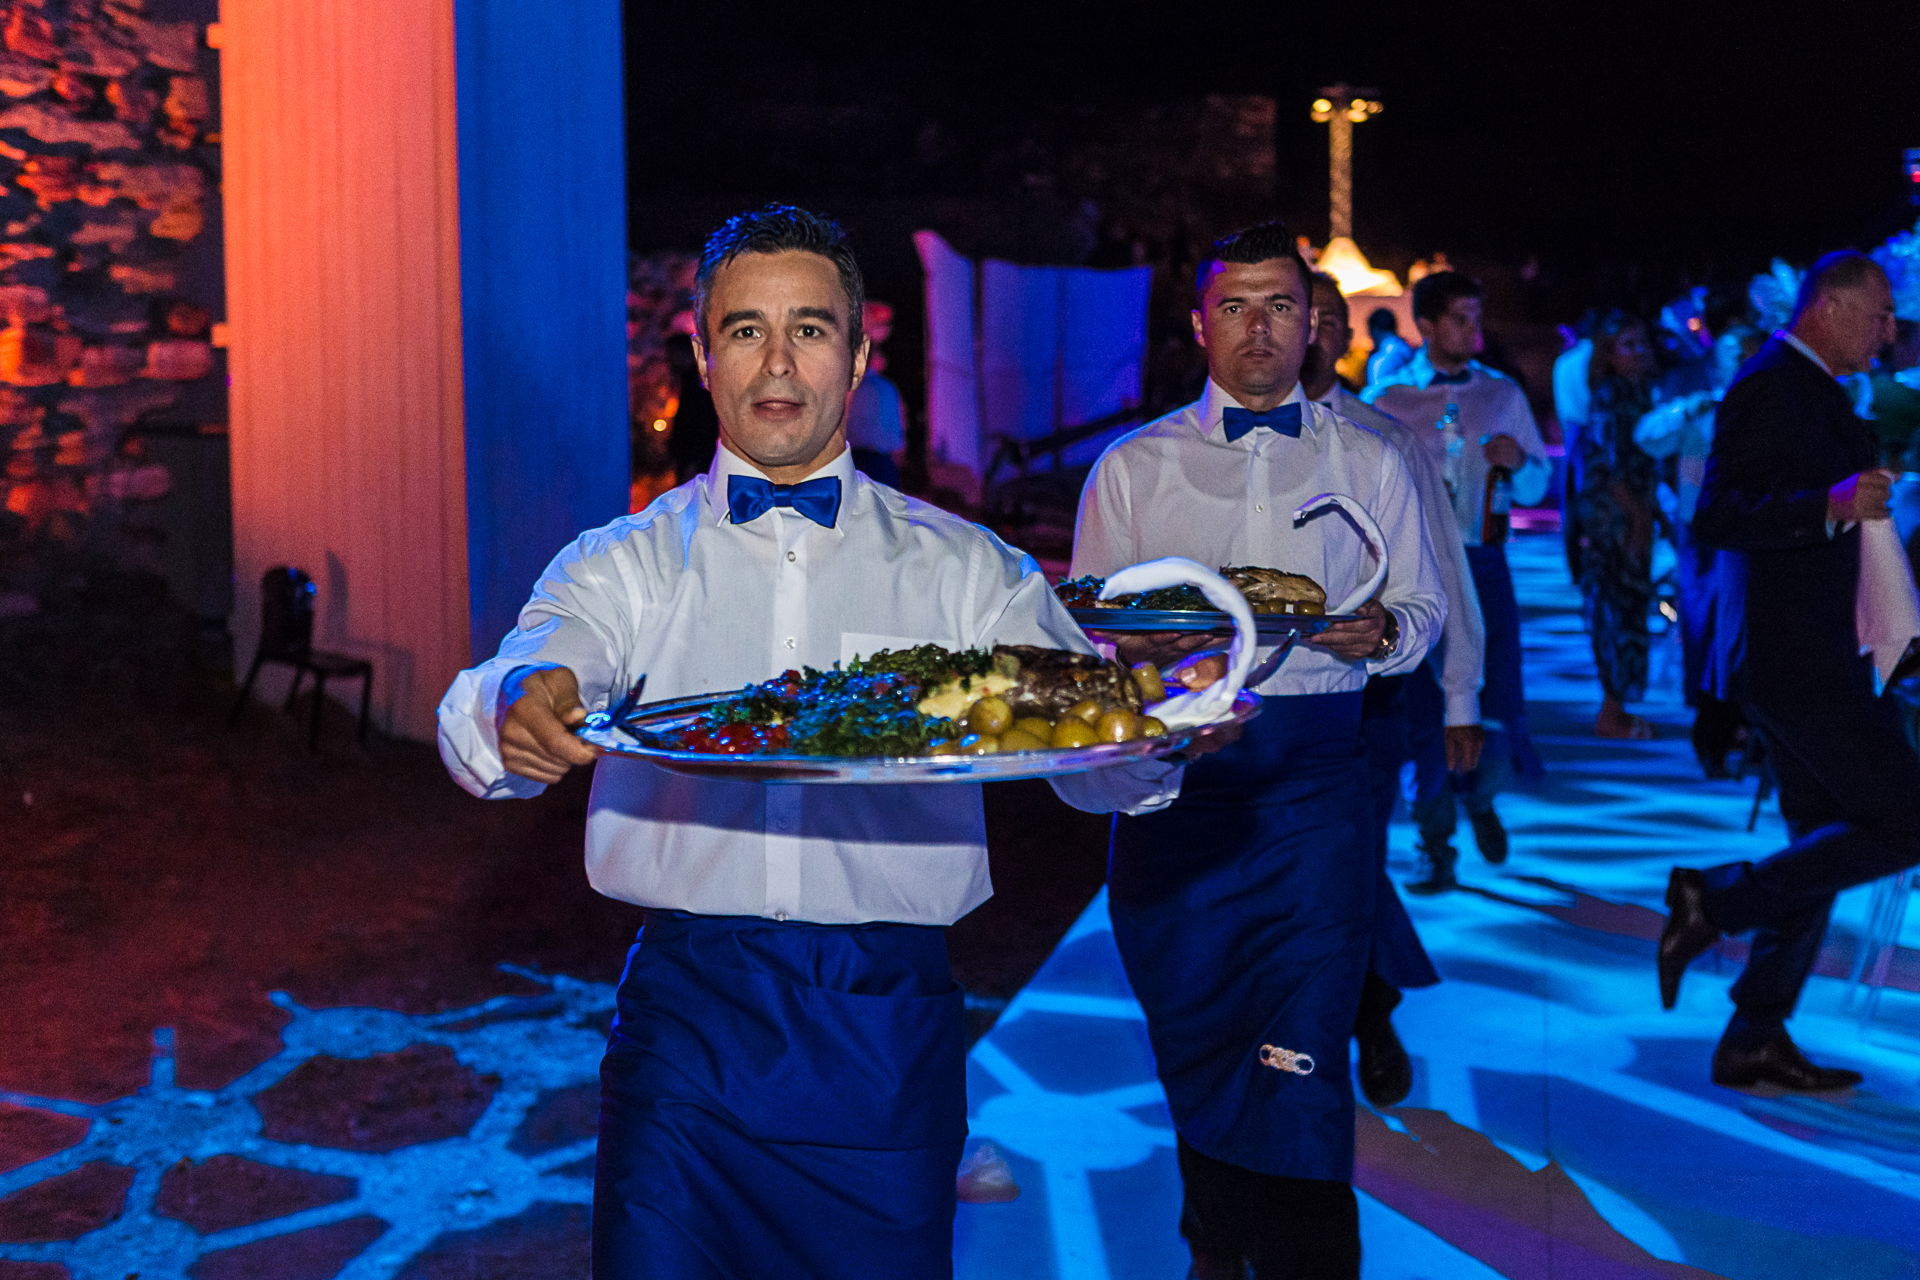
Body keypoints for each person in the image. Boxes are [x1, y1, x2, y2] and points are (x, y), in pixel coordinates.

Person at [437, 205, 1173, 1278]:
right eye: (745, 329)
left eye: (810, 329)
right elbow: (539, 661)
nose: (777, 362)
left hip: (886, 1028)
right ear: (702, 356)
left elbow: (1089, 752)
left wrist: (1156, 730)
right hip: (688, 1028)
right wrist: (518, 699)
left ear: (860, 355)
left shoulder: (968, 568)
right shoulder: (625, 560)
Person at [1072, 222, 1445, 1280]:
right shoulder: (1133, 467)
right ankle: (1215, 1249)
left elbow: (1421, 607)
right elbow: (1087, 636)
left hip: (1313, 801)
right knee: (1197, 1038)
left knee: (1300, 1061)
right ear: (1199, 325)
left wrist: (1383, 633)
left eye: (1278, 305)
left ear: (1312, 322)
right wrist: (1139, 654)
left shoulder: (1372, 457)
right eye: (1233, 306)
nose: (1258, 328)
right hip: (1177, 798)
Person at [1658, 251, 1920, 1091]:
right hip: (1798, 657)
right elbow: (1718, 513)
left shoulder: (1810, 386)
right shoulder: (1773, 384)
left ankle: (1753, 1035)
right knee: (1905, 820)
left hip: (1806, 651)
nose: (1890, 332)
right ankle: (1714, 902)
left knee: (1823, 843)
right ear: (1831, 308)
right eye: (1880, 315)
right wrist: (1829, 505)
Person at [1301, 270, 1484, 1108]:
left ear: (1348, 337)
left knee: (1351, 855)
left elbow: (1442, 573)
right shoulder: (1211, 448)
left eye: (1327, 319)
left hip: (1364, 697)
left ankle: (1370, 1012)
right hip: (1250, 704)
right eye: (1296, 315)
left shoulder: (1386, 441)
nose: (1311, 333)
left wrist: (1461, 696)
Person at [1367, 271, 1552, 893]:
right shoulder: (1389, 400)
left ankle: (1482, 796)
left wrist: (1518, 462)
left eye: (1477, 317)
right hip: (1415, 571)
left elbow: (1538, 487)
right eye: (1460, 318)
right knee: (1423, 708)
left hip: (1483, 561)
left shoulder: (1501, 394)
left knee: (1493, 697)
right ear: (1426, 324)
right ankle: (1434, 839)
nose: (1474, 330)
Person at [1573, 311, 1660, 739]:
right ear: (1609, 353)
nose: (1639, 352)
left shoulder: (1641, 391)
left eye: (1642, 342)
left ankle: (1620, 704)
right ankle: (1611, 709)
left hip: (1633, 512)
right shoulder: (1610, 395)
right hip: (1613, 520)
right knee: (1614, 608)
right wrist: (1638, 520)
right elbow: (1611, 467)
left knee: (1631, 606)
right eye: (1628, 345)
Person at [844, 300, 906, 486]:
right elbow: (896, 439)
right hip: (880, 465)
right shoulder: (886, 388)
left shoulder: (844, 389)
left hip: (853, 462)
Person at [1364, 306, 1412, 387]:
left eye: (1369, 332)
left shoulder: (1378, 361)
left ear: (1375, 330)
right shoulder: (1412, 352)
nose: (1369, 336)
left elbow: (1376, 392)